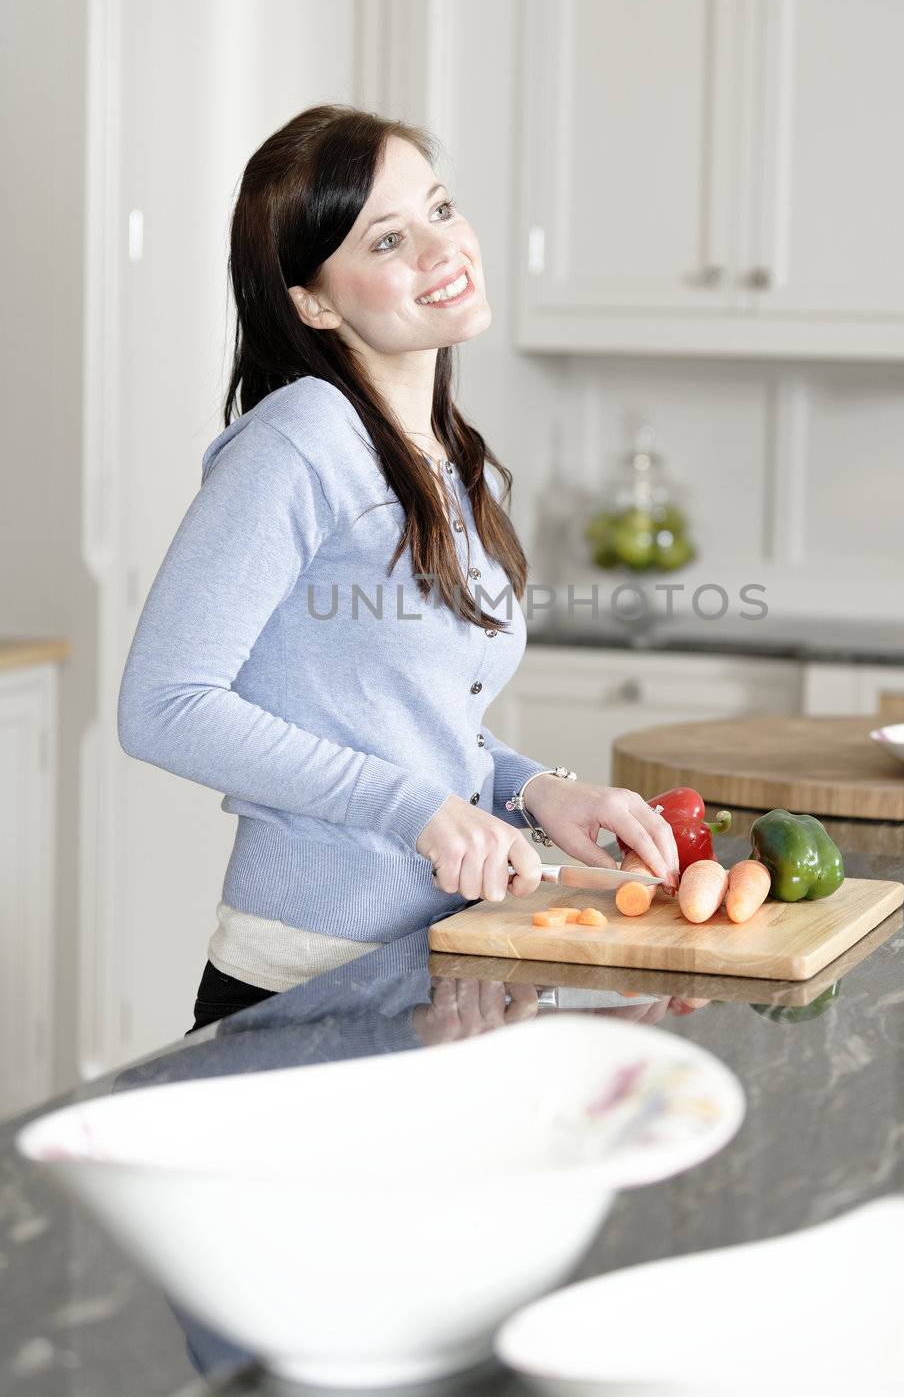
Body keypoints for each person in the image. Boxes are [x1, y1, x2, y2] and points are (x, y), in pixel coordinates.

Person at [116, 105, 680, 1032]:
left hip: (441, 959)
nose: (440, 247)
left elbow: (404, 721)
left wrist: (538, 791)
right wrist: (418, 809)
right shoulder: (301, 439)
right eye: (386, 238)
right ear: (315, 302)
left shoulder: (441, 456)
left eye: (440, 208)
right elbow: (164, 704)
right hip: (311, 980)